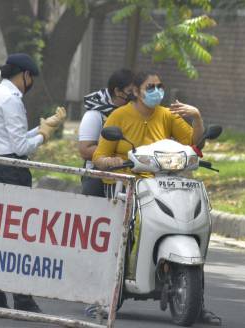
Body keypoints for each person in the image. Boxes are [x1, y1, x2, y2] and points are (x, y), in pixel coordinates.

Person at [92, 70, 220, 325]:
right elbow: (98, 156)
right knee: (122, 236)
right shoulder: (119, 115)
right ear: (137, 91)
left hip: (163, 184)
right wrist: (113, 161)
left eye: (160, 86)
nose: (156, 91)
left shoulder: (166, 115)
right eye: (150, 86)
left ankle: (198, 303)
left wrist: (196, 117)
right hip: (128, 186)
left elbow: (194, 145)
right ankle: (106, 297)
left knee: (191, 225)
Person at [0, 53, 66, 313]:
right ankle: (23, 300)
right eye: (31, 79)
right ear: (25, 75)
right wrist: (43, 135)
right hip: (13, 171)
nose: (31, 84)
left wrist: (43, 127)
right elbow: (19, 147)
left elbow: (10, 140)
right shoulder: (12, 99)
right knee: (19, 236)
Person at [79, 68, 134, 197]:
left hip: (128, 174)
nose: (134, 96)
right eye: (130, 92)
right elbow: (84, 150)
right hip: (98, 176)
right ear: (118, 91)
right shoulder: (95, 114)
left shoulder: (133, 114)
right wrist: (114, 155)